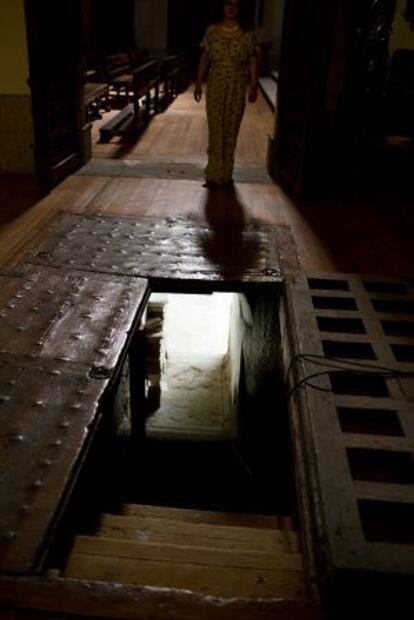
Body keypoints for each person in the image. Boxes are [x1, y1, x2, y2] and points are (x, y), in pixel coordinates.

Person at [194, 0, 258, 188]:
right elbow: (205, 57)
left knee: (231, 127)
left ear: (240, 9)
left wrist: (253, 85)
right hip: (216, 85)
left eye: (235, 5)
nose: (231, 8)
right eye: (227, 4)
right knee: (215, 126)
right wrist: (198, 82)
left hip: (237, 86)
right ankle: (214, 172)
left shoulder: (248, 34)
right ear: (221, 7)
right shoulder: (212, 31)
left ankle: (226, 173)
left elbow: (252, 61)